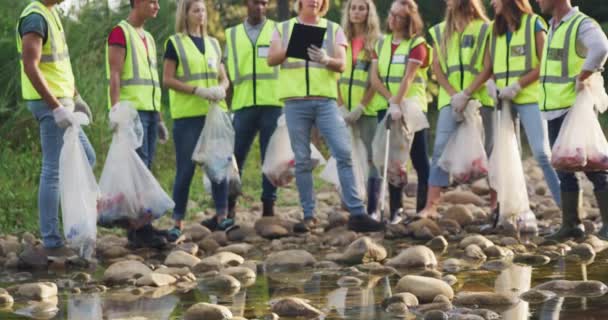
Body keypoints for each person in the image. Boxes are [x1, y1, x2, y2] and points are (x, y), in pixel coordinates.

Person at [267, 0, 384, 232]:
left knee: (343, 151)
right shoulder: (283, 28)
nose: (315, 0)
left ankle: (357, 213)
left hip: (325, 102)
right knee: (301, 159)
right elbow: (271, 59)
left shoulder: (333, 29)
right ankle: (309, 215)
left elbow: (341, 65)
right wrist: (291, 46)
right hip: (295, 102)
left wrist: (326, 59)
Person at [17, 0, 96, 257]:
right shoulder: (35, 17)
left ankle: (72, 224)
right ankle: (52, 242)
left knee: (87, 157)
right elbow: (31, 66)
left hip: (63, 102)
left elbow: (58, 67)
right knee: (53, 171)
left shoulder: (51, 15)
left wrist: (78, 97)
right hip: (50, 105)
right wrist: (56, 108)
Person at [480, 0, 562, 223]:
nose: (491, 3)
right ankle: (508, 212)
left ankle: (568, 210)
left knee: (542, 153)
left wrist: (517, 85)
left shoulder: (534, 23)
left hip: (529, 97)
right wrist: (491, 84)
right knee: (503, 157)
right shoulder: (493, 31)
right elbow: (488, 67)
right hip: (502, 101)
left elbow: (544, 62)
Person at [536, 0, 608, 241]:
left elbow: (600, 47)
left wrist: (584, 75)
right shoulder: (554, 26)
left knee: (594, 169)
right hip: (554, 108)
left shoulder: (581, 24)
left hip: (573, 109)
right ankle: (571, 225)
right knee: (564, 168)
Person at [162, 0, 232, 238]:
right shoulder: (175, 43)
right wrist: (197, 90)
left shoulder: (213, 43)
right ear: (186, 13)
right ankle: (177, 221)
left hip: (213, 113)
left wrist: (221, 88)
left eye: (203, 10)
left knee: (219, 165)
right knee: (185, 169)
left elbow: (224, 78)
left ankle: (222, 216)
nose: (201, 15)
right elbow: (168, 79)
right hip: (188, 115)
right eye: (196, 10)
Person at [419, 0, 493, 219]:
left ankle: (496, 205)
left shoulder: (485, 28)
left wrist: (467, 93)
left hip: (480, 99)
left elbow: (488, 66)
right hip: (449, 100)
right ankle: (430, 206)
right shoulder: (440, 31)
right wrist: (454, 95)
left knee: (490, 150)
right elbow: (437, 68)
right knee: (440, 149)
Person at [106, 0, 168, 248]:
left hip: (150, 112)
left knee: (146, 169)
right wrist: (116, 112)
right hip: (132, 113)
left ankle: (141, 226)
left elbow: (152, 80)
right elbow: (115, 75)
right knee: (138, 169)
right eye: (152, 1)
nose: (157, 6)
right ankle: (140, 230)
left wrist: (160, 117)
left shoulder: (148, 38)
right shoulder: (120, 32)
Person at [370, 0, 431, 223]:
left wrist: (398, 102)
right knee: (392, 160)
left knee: (419, 159)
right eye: (392, 14)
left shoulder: (417, 44)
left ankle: (422, 210)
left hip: (412, 108)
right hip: (388, 108)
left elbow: (409, 77)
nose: (393, 20)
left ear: (408, 20)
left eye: (399, 17)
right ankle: (396, 210)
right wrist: (390, 101)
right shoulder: (381, 43)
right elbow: (374, 78)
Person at [224, 0, 282, 219]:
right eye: (255, 2)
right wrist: (226, 108)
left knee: (271, 158)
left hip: (273, 103)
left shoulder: (278, 30)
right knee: (235, 156)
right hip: (243, 104)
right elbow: (227, 75)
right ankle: (230, 206)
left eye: (263, 3)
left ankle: (269, 207)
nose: (259, 7)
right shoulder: (232, 34)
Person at [337, 0, 383, 216]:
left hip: (367, 110)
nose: (356, 12)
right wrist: (340, 106)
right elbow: (333, 76)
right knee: (344, 155)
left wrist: (361, 106)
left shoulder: (376, 42)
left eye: (361, 8)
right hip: (343, 110)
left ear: (369, 12)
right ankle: (349, 202)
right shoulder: (340, 40)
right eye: (353, 8)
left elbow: (377, 78)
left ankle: (373, 207)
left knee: (372, 156)